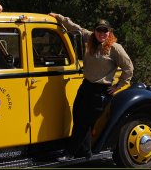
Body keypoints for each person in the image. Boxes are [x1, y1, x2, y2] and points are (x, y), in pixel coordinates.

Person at [48, 13, 134, 161]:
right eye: (99, 30)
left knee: (84, 123)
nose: (102, 34)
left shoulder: (115, 48)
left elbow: (129, 69)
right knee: (77, 117)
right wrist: (59, 17)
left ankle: (69, 153)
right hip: (86, 87)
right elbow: (75, 28)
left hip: (101, 92)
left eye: (105, 30)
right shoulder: (90, 39)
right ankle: (86, 154)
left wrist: (118, 86)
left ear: (110, 32)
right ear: (94, 31)